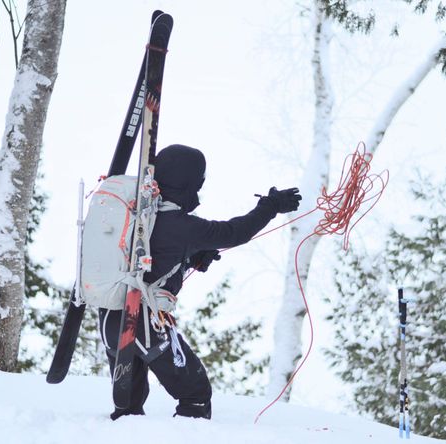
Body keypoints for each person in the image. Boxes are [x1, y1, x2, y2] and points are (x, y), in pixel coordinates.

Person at [98, 144, 301, 420]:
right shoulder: (181, 225)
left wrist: (191, 257)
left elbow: (152, 254)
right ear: (188, 183)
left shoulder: (140, 214)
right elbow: (234, 232)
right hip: (141, 322)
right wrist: (270, 206)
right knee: (195, 393)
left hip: (110, 317)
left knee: (129, 407)